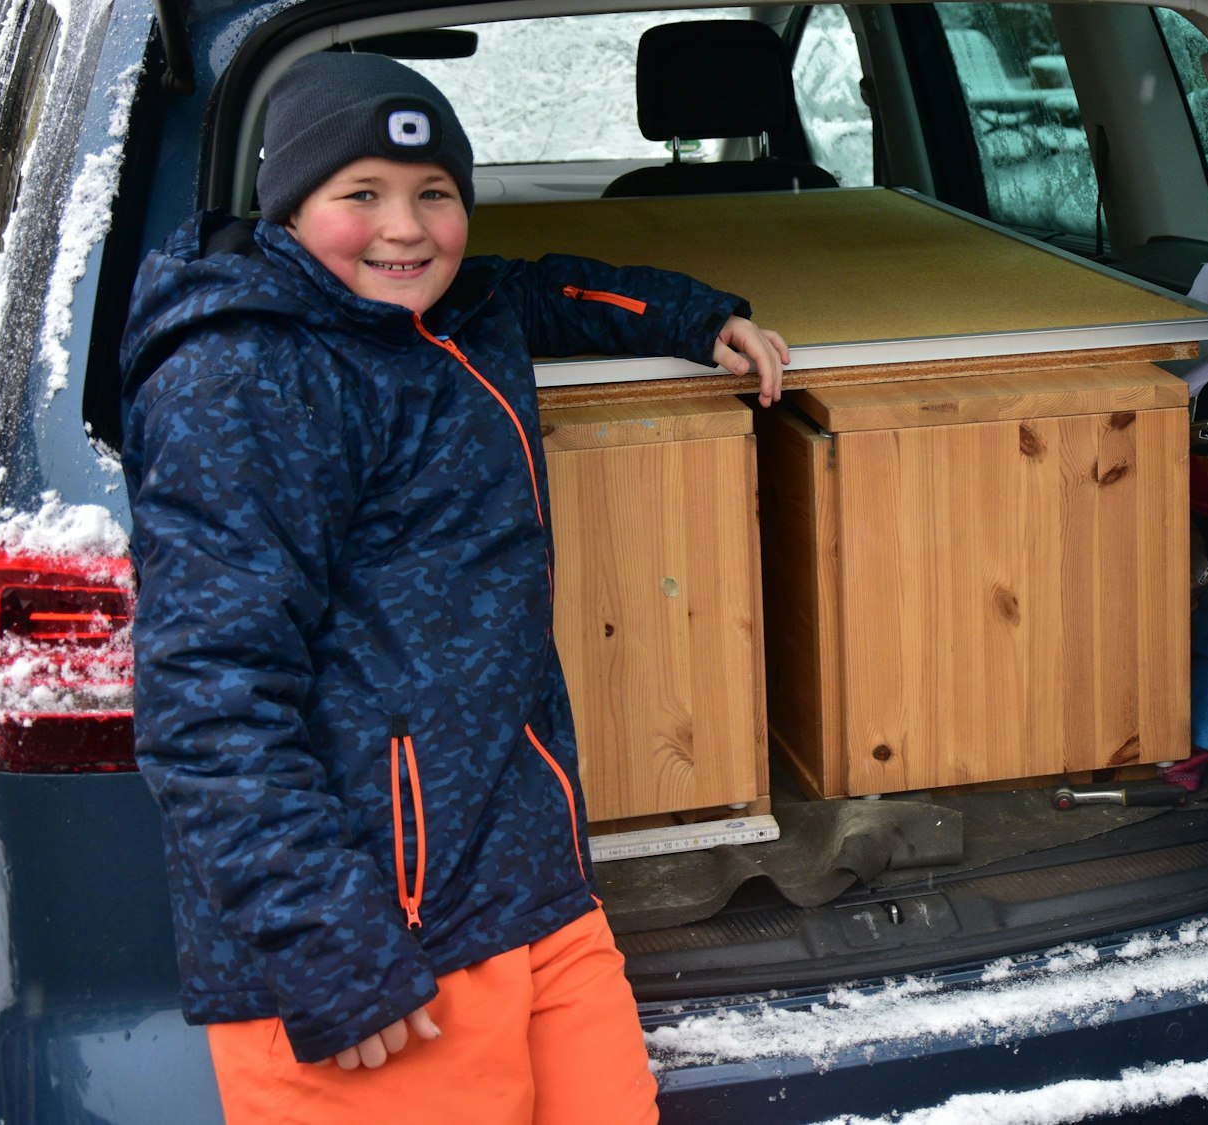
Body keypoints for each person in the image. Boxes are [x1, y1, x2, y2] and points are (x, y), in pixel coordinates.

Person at [119, 50, 788, 1124]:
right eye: (361, 195)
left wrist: (689, 316)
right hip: (380, 942)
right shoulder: (240, 377)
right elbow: (205, 700)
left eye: (435, 195)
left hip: (532, 885)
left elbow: (537, 289)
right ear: (288, 209)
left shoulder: (451, 317)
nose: (407, 228)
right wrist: (331, 948)